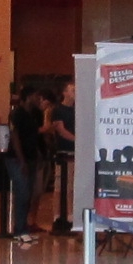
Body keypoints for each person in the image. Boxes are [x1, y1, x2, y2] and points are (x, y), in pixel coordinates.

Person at [2, 85, 44, 243]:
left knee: (29, 193)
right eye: (36, 95)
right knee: (22, 192)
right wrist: (22, 160)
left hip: (32, 157)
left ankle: (24, 227)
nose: (38, 99)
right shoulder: (17, 113)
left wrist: (38, 154)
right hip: (16, 158)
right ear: (28, 96)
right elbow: (15, 136)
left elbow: (34, 137)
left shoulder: (34, 114)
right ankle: (19, 229)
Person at [48, 79, 79, 234]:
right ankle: (58, 216)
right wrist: (78, 140)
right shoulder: (58, 110)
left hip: (76, 153)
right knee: (61, 185)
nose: (75, 93)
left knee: (72, 186)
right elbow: (60, 130)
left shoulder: (77, 110)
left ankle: (70, 216)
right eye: (72, 90)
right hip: (64, 151)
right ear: (65, 92)